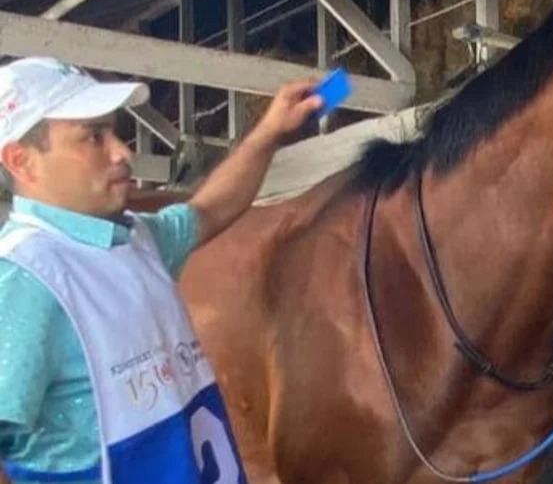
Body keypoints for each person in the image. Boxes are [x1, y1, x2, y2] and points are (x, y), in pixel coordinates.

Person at [0, 56, 322, 484]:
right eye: (93, 137)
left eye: (114, 131)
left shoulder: (136, 240)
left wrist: (268, 132)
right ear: (21, 160)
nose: (122, 151)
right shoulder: (26, 278)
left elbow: (210, 209)